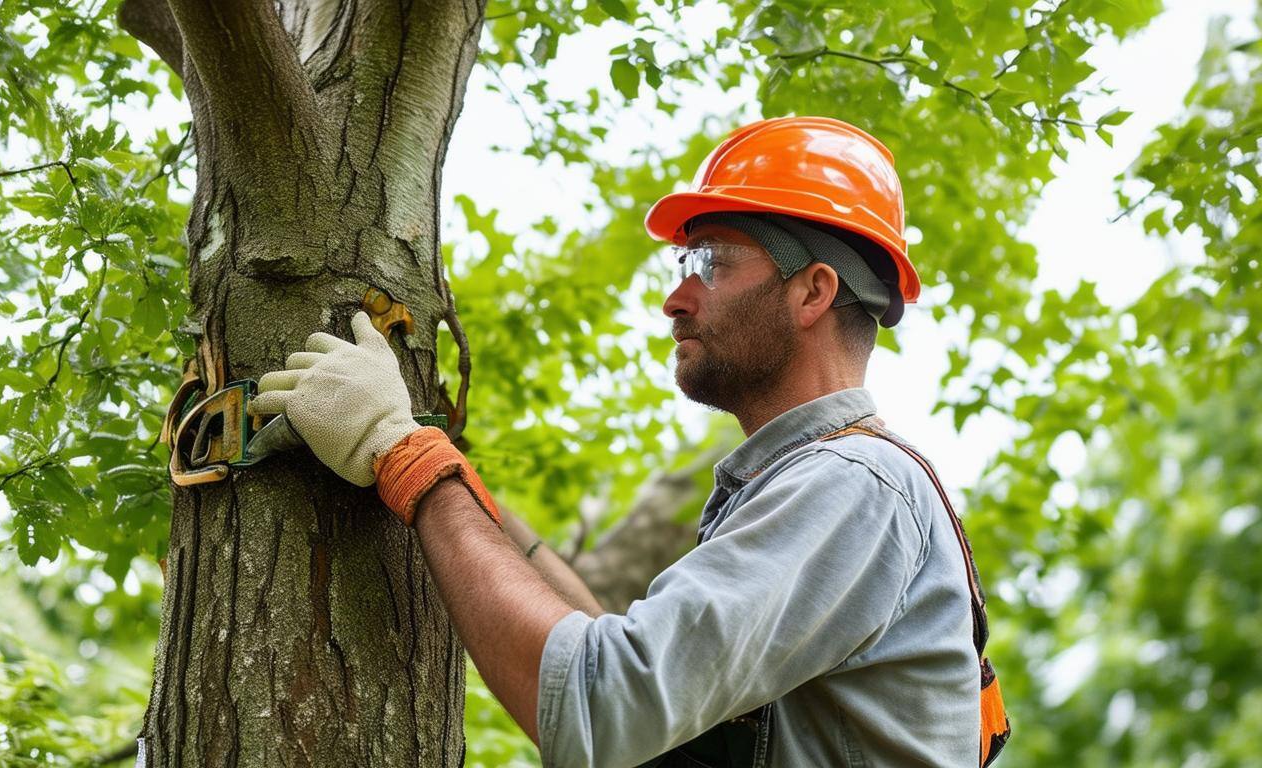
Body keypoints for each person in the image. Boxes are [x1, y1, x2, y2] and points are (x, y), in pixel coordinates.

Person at [250, 116, 1005, 767]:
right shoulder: (820, 489)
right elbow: (625, 662)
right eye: (683, 264)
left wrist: (404, 455)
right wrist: (472, 500)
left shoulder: (850, 485)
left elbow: (599, 705)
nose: (676, 297)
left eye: (710, 262)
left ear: (813, 291)